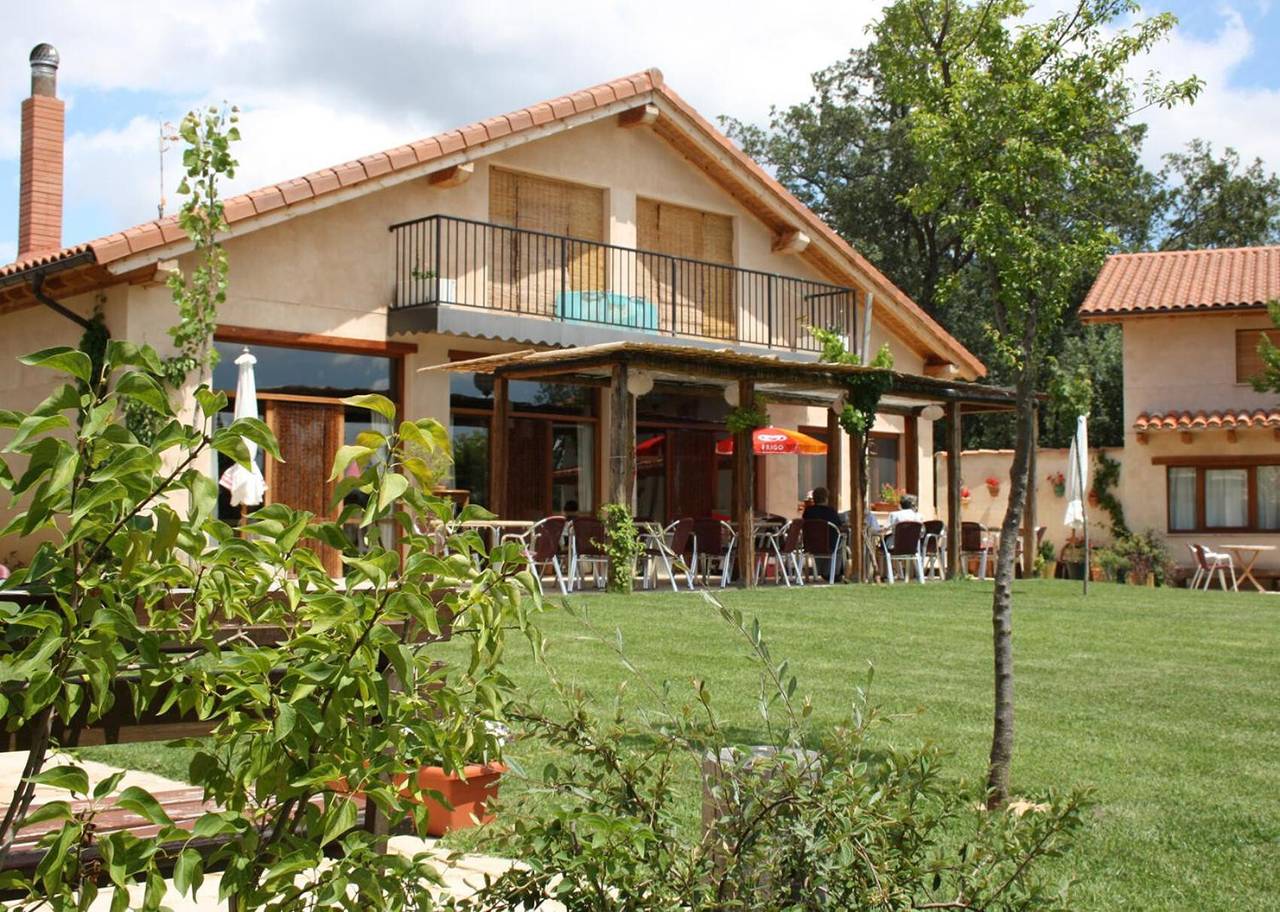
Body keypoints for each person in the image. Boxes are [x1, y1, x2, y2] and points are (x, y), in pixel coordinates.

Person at [802, 487, 845, 582]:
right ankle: (835, 573)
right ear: (826, 498)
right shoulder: (831, 512)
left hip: (811, 545)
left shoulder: (808, 512)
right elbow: (839, 527)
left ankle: (823, 571)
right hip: (829, 545)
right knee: (841, 543)